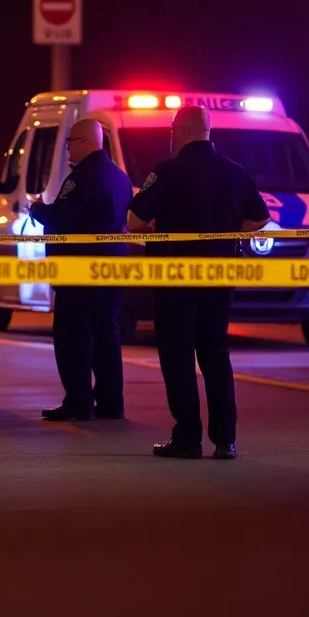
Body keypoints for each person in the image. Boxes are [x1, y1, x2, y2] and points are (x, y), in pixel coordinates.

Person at [126, 105, 271, 460]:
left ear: (187, 131)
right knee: (216, 357)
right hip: (218, 279)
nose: (170, 134)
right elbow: (260, 218)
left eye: (173, 128)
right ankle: (226, 441)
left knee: (178, 358)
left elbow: (133, 220)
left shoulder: (167, 172)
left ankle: (188, 438)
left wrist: (156, 228)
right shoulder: (236, 172)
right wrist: (226, 234)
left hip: (175, 280)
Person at [27, 118, 134, 422]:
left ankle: (78, 401)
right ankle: (112, 403)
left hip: (78, 272)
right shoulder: (119, 177)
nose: (68, 148)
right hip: (112, 269)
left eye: (70, 141)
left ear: (86, 142)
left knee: (73, 337)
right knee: (107, 336)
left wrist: (37, 209)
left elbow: (59, 218)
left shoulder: (81, 178)